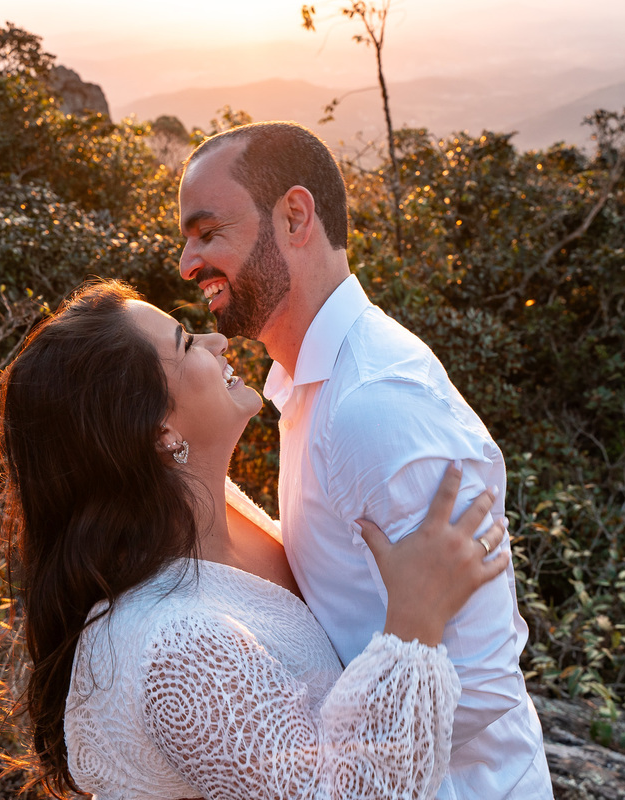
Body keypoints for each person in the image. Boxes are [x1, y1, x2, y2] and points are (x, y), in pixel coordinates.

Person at [0, 279, 512, 799]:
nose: (216, 341)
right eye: (185, 343)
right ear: (160, 432)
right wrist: (415, 620)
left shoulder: (220, 511)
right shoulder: (179, 648)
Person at [177, 121, 554, 799]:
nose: (186, 262)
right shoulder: (311, 387)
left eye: (207, 232)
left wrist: (328, 758)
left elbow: (483, 680)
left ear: (295, 217)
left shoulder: (375, 404)